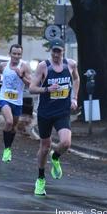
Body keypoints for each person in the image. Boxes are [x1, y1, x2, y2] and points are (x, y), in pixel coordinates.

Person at [29, 38, 79, 196]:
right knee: (44, 147)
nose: (56, 54)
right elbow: (31, 88)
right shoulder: (44, 66)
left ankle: (55, 157)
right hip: (45, 112)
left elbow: (76, 79)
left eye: (59, 51)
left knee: (65, 142)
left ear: (63, 51)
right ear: (50, 51)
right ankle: (40, 179)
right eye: (54, 51)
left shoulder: (70, 64)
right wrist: (47, 89)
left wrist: (74, 98)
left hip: (62, 111)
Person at [0, 44, 31, 163]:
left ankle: (9, 148)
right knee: (9, 122)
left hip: (17, 101)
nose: (16, 56)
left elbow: (30, 84)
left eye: (18, 54)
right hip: (4, 98)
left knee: (13, 127)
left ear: (21, 55)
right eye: (14, 53)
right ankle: (6, 149)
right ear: (9, 54)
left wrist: (21, 75)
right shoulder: (3, 65)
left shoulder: (24, 67)